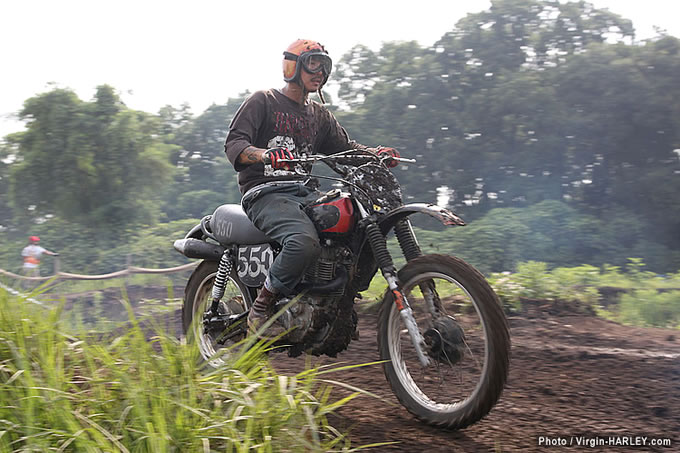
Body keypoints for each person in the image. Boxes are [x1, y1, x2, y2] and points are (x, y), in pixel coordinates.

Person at [224, 39, 400, 337]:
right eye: (313, 64)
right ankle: (261, 307)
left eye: (325, 67)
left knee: (354, 227)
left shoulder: (319, 115)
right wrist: (264, 154)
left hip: (305, 193)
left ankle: (332, 300)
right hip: (266, 193)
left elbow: (345, 150)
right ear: (293, 66)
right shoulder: (263, 101)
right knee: (303, 241)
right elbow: (235, 144)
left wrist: (375, 154)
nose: (320, 72)